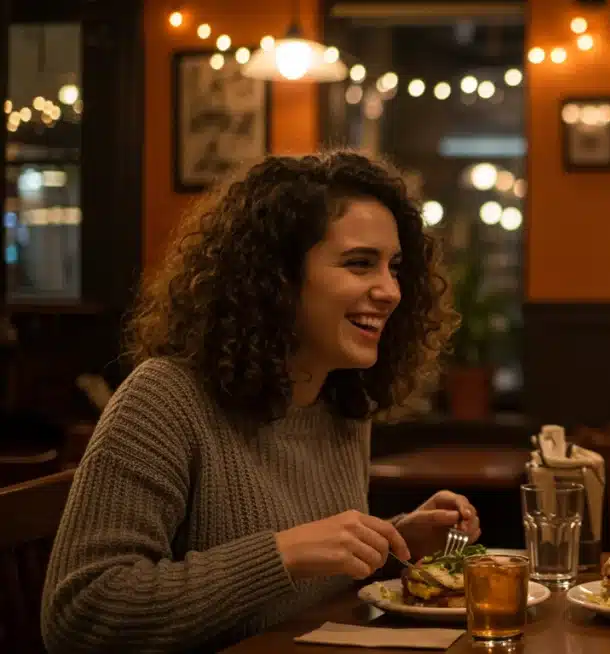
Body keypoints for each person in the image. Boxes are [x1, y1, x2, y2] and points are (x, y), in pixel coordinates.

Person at [41, 151, 480, 653]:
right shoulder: (163, 399)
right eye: (360, 264)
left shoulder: (340, 403)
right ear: (278, 277)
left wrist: (391, 543)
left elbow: (304, 591)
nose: (390, 291)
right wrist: (281, 553)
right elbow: (79, 614)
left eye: (394, 268)